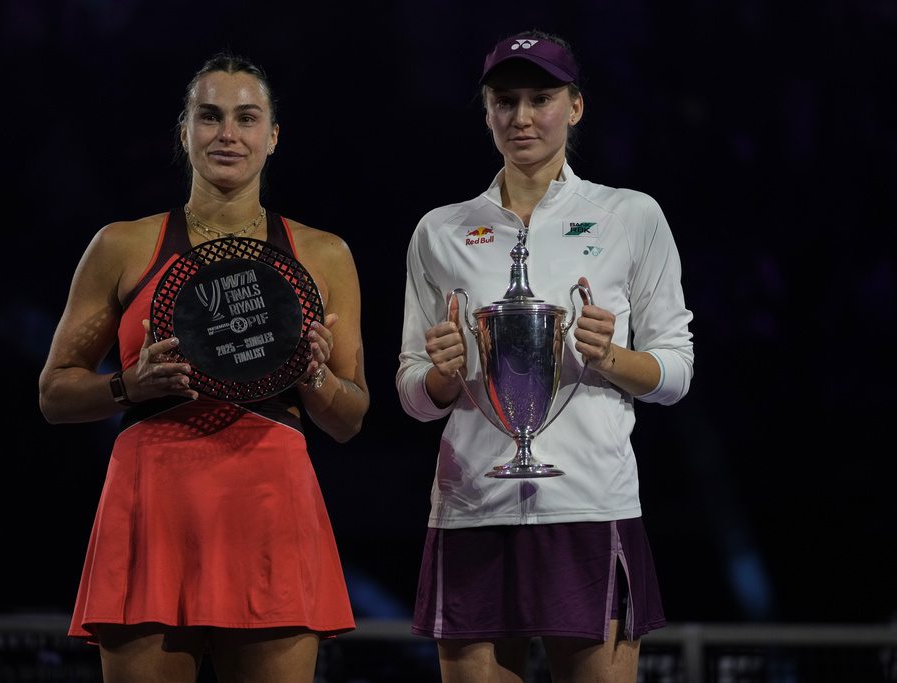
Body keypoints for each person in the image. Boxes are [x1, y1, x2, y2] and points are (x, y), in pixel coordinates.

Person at [39, 53, 369, 683]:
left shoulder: (325, 255)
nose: (228, 134)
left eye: (247, 118)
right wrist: (125, 385)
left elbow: (350, 417)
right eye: (210, 116)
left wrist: (314, 376)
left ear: (272, 137)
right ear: (184, 131)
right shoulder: (121, 245)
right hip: (153, 500)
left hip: (271, 504)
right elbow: (54, 392)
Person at [396, 31, 694, 682]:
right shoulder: (439, 230)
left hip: (590, 504)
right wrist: (441, 376)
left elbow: (675, 372)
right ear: (485, 111)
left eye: (541, 98)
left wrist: (608, 354)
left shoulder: (629, 215)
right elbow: (414, 394)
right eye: (505, 101)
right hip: (473, 504)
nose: (522, 117)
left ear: (576, 106)